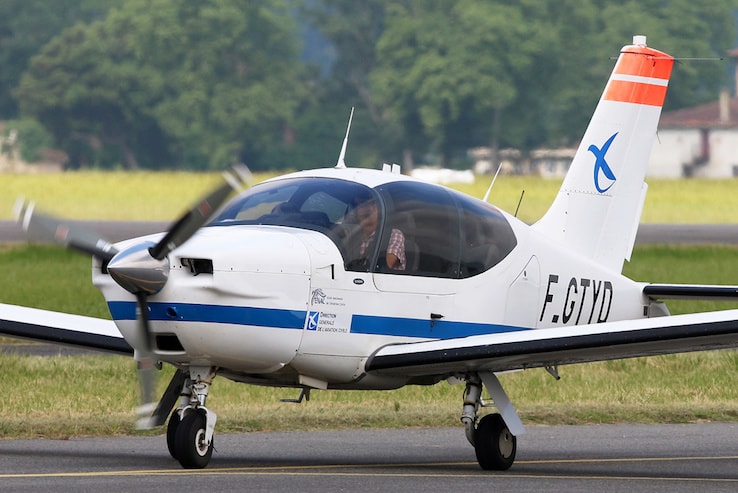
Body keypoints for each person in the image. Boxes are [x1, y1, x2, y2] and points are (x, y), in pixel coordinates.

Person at [354, 198, 406, 271]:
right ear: (356, 213)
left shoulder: (392, 234)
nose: (368, 209)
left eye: (372, 204)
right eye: (362, 206)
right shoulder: (353, 237)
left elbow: (383, 265)